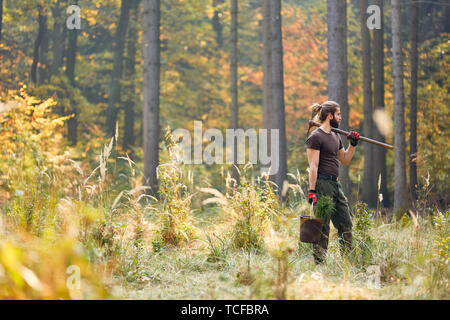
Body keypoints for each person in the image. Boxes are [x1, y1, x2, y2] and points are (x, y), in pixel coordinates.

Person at [305, 101, 360, 264]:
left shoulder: (335, 136)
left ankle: (348, 262)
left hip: (336, 185)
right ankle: (319, 265)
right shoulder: (315, 137)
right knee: (322, 226)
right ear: (330, 116)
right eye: (338, 114)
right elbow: (313, 166)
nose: (340, 117)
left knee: (346, 223)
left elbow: (344, 160)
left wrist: (352, 144)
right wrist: (312, 191)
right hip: (322, 184)